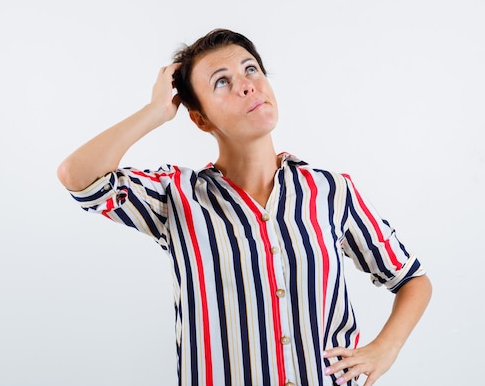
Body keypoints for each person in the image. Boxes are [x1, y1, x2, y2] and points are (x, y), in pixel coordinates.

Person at [57, 29, 432, 386]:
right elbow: (78, 176)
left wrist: (386, 349)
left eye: (251, 69)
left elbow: (412, 279)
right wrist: (156, 110)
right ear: (200, 119)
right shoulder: (176, 196)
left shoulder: (330, 191)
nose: (246, 84)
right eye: (222, 81)